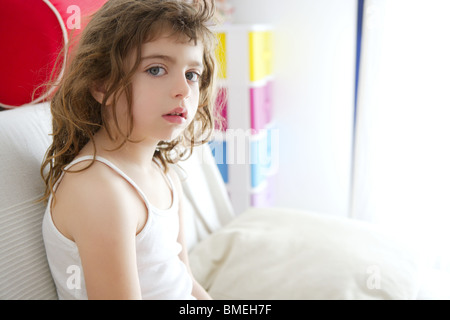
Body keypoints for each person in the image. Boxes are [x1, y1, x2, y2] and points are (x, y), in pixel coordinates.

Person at [40, 0, 218, 300]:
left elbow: (183, 279)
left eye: (191, 74)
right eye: (157, 69)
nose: (184, 90)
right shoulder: (100, 190)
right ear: (102, 85)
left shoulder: (164, 174)